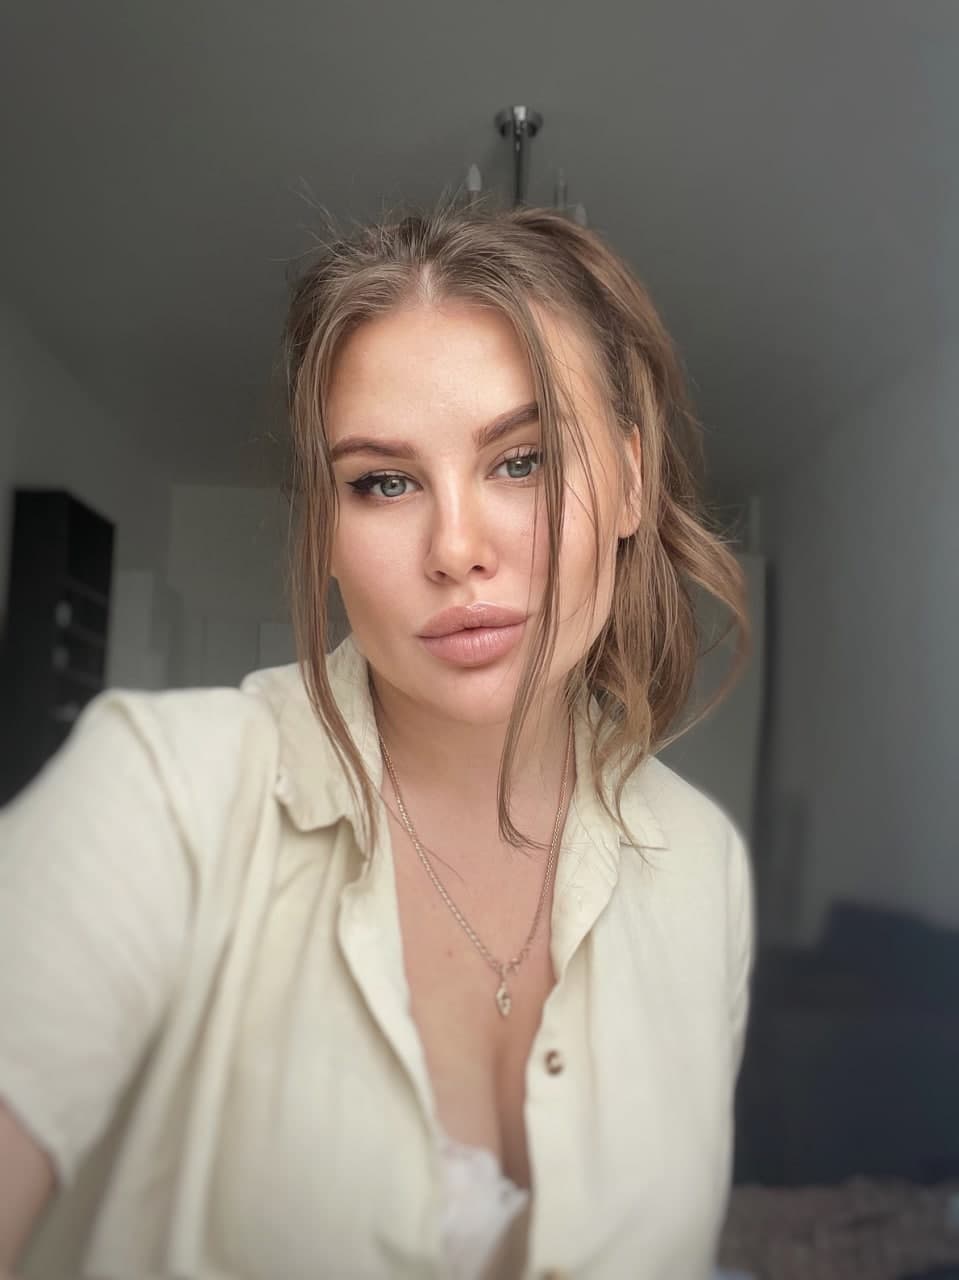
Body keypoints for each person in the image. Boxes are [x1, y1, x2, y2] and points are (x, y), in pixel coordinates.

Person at [0, 201, 754, 1280]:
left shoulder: (702, 869)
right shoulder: (161, 795)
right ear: (325, 528)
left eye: (524, 460)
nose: (456, 547)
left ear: (631, 481)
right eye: (382, 482)